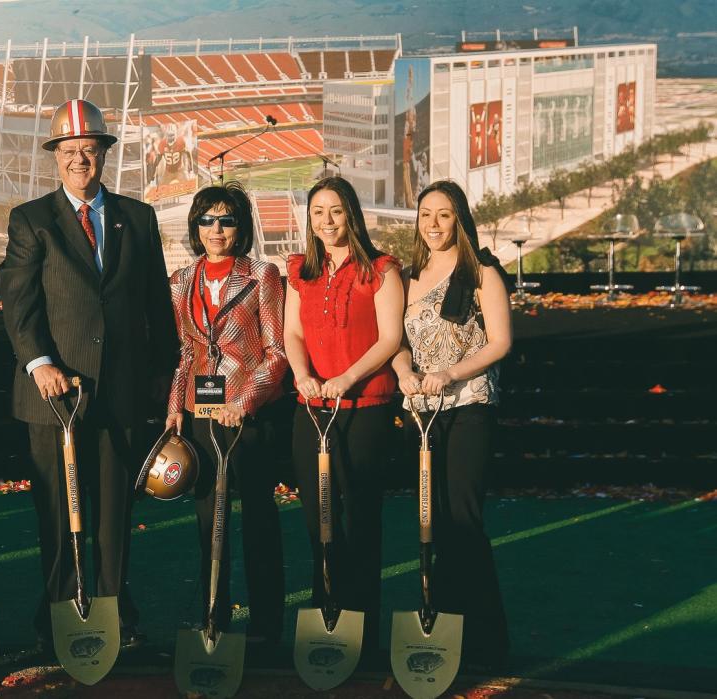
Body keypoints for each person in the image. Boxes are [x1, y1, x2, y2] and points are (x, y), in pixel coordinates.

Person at [0, 98, 178, 650]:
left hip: (121, 393)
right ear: (56, 156)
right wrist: (40, 362)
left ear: (103, 154)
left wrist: (164, 377)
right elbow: (17, 300)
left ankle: (113, 611)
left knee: (114, 511)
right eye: (70, 150)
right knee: (57, 513)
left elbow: (155, 306)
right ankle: (58, 616)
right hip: (54, 396)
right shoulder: (32, 220)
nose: (81, 159)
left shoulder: (138, 217)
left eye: (90, 149)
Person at [391, 179, 511, 667]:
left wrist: (449, 374)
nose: (433, 225)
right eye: (425, 215)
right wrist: (404, 372)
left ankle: (484, 639)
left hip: (468, 407)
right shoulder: (409, 274)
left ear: (459, 218)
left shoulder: (481, 272)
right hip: (422, 414)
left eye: (443, 215)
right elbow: (397, 341)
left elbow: (500, 342)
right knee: (431, 522)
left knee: (463, 519)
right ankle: (441, 628)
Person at [283, 176, 404, 655]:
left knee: (358, 522)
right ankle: (326, 624)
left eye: (335, 211)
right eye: (317, 212)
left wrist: (345, 379)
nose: (326, 221)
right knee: (320, 524)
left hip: (364, 410)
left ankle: (362, 631)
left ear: (351, 214)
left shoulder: (381, 270)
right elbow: (293, 334)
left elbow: (390, 338)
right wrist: (302, 376)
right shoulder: (301, 271)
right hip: (311, 412)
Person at [163, 182, 287, 647]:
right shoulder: (180, 281)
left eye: (227, 219)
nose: (217, 229)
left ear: (241, 226)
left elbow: (276, 353)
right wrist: (176, 407)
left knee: (258, 517)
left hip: (249, 415)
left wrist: (247, 399)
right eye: (207, 220)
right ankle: (214, 619)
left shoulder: (262, 275)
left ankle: (268, 627)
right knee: (207, 520)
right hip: (201, 409)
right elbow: (183, 352)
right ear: (196, 227)